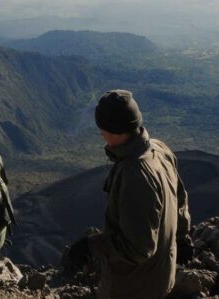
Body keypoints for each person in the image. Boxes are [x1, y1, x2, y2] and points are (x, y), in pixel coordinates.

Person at [63, 90, 193, 299]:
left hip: (135, 288)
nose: (100, 134)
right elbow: (180, 200)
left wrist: (91, 246)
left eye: (102, 128)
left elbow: (138, 248)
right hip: (160, 276)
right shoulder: (160, 150)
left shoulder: (135, 175)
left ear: (112, 129)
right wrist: (181, 235)